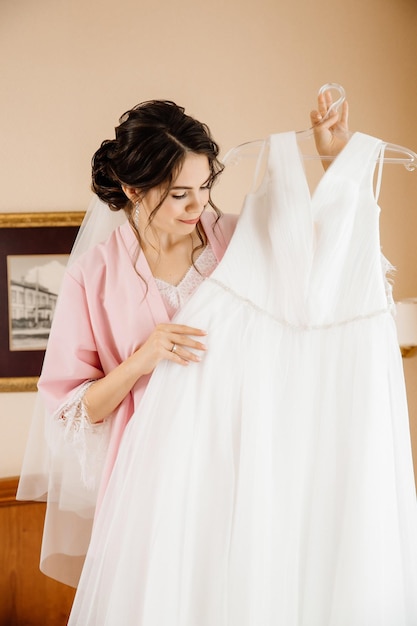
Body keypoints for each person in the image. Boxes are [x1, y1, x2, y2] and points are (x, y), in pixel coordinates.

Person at [17, 92, 349, 589]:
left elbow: (328, 263)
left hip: (244, 462)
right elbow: (73, 409)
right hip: (151, 483)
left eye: (205, 185)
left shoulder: (239, 240)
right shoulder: (94, 274)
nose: (199, 204)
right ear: (133, 189)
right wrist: (140, 360)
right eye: (178, 194)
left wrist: (335, 158)